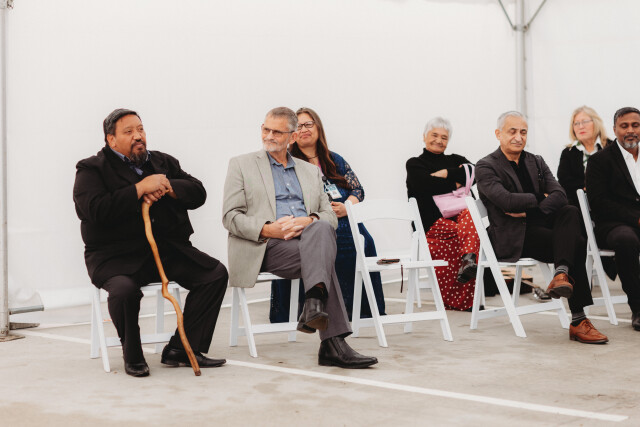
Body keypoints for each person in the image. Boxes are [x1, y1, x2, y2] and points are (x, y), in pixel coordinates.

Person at [73, 109, 228, 377]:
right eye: (129, 132)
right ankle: (133, 355)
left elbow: (198, 193)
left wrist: (169, 186)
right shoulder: (91, 169)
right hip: (115, 257)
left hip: (166, 251)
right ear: (111, 139)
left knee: (214, 275)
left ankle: (182, 349)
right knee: (124, 291)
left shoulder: (163, 162)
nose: (138, 136)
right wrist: (139, 188)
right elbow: (94, 210)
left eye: (140, 129)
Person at [222, 107, 378, 369]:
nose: (269, 136)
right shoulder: (242, 164)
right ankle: (331, 341)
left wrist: (308, 220)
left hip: (306, 242)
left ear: (292, 137)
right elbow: (230, 216)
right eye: (266, 129)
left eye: (277, 132)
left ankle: (315, 305)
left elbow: (328, 215)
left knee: (321, 227)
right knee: (322, 258)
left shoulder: (309, 171)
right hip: (265, 245)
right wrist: (268, 229)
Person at [476, 111, 608, 344]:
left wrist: (533, 210)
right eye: (512, 131)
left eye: (523, 132)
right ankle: (578, 319)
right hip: (513, 236)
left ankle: (561, 274)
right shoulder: (486, 166)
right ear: (498, 134)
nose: (519, 137)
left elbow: (560, 194)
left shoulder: (535, 161)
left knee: (570, 211)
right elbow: (506, 201)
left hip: (542, 229)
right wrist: (540, 197)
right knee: (576, 242)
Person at [270, 107, 385, 322]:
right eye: (299, 126)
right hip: (312, 224)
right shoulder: (288, 161)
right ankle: (318, 309)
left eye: (309, 124)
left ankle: (362, 309)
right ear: (292, 133)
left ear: (318, 128)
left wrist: (346, 207)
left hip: (346, 219)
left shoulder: (334, 159)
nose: (304, 129)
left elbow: (358, 190)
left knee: (364, 240)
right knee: (330, 241)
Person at [405, 117, 480, 311]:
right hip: (431, 222)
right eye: (434, 135)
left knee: (471, 219)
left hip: (461, 220)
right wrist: (456, 182)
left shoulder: (456, 159)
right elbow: (424, 185)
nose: (439, 140)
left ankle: (468, 261)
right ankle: (459, 291)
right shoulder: (415, 163)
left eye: (444, 137)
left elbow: (476, 173)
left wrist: (446, 173)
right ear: (424, 136)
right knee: (469, 231)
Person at [585, 106, 640, 331]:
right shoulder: (599, 161)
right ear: (615, 129)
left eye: (635, 125)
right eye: (624, 126)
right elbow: (599, 202)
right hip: (613, 225)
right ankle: (638, 308)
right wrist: (636, 219)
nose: (630, 130)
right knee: (626, 240)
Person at [558, 106, 610, 206]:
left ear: (596, 123)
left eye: (585, 122)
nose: (580, 126)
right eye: (576, 123)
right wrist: (587, 187)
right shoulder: (568, 152)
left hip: (608, 201)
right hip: (578, 203)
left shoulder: (610, 147)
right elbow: (564, 180)